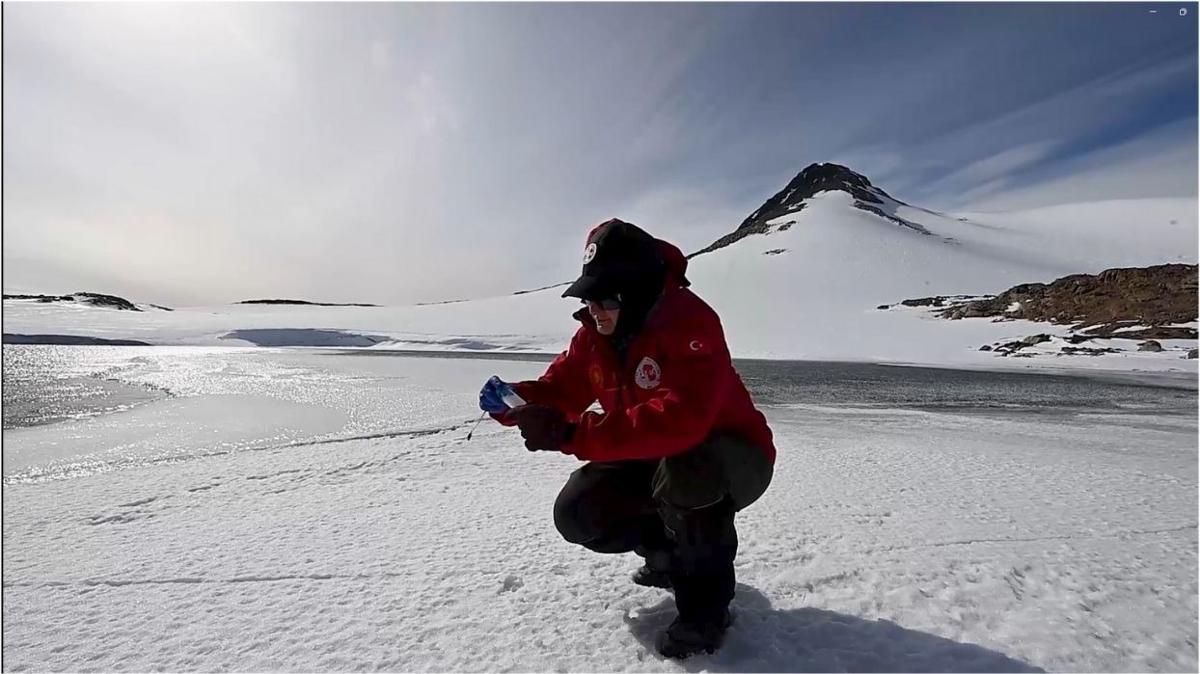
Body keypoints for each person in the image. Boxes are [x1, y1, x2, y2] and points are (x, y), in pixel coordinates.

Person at [478, 218, 775, 659]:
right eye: (588, 297)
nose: (594, 309)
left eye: (606, 298)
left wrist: (572, 433)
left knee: (688, 473)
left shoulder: (691, 323)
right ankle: (667, 554)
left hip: (732, 455)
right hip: (656, 454)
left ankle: (706, 610)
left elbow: (682, 422)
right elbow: (561, 391)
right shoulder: (594, 337)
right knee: (578, 511)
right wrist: (517, 401)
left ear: (637, 293)